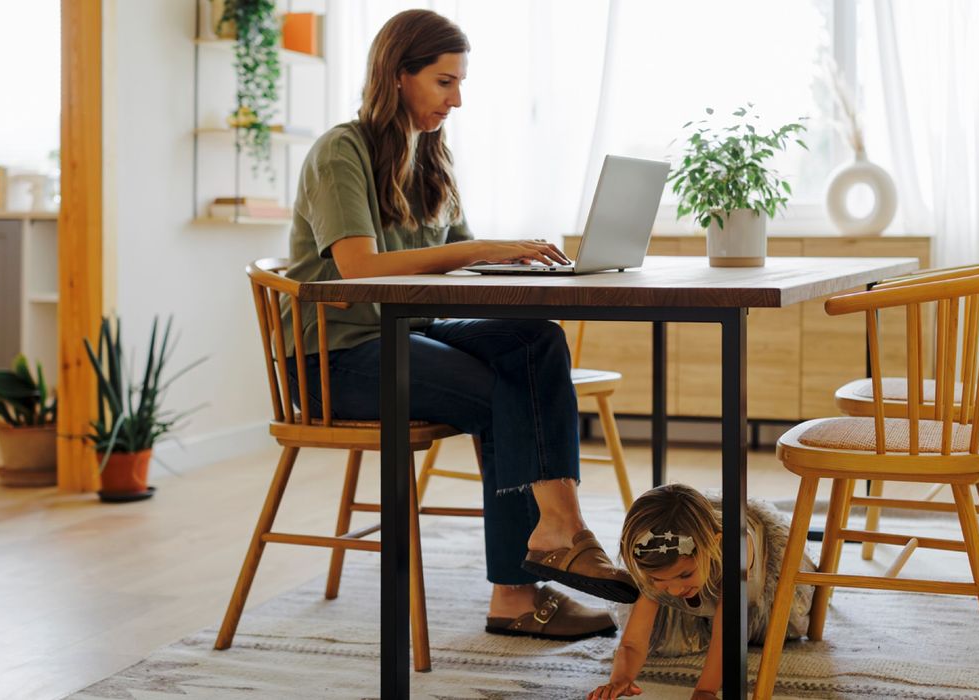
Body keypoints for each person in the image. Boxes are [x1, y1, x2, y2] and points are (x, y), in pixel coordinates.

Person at [280, 9, 638, 641]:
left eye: (460, 83)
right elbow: (359, 267)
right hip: (337, 359)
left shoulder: (430, 156)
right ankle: (528, 578)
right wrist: (480, 249)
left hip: (411, 332)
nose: (457, 100)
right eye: (444, 82)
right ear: (398, 75)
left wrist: (516, 261)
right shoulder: (341, 151)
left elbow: (462, 263)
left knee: (535, 340)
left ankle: (555, 534)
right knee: (508, 392)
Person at [589, 484, 817, 700]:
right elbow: (632, 642)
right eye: (659, 579)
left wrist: (705, 690)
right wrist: (621, 678)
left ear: (713, 545)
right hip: (702, 571)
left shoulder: (736, 548)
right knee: (664, 634)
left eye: (685, 574)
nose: (675, 590)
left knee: (766, 631)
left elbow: (726, 631)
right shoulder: (655, 563)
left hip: (751, 582)